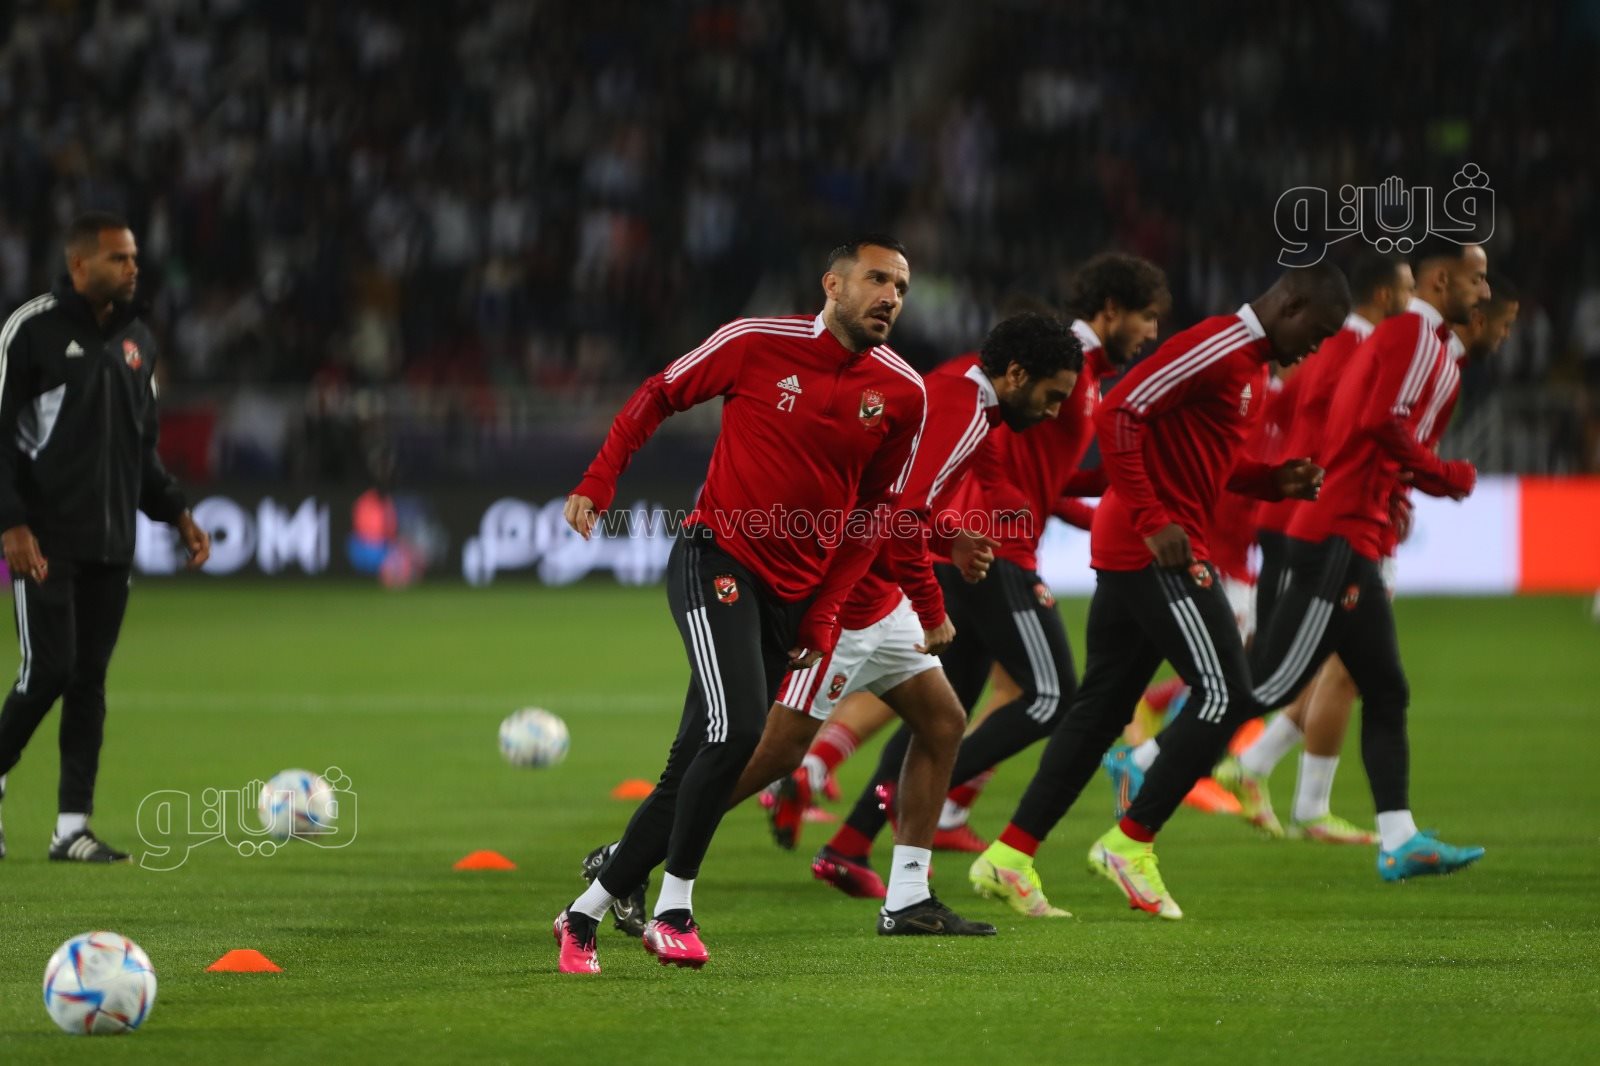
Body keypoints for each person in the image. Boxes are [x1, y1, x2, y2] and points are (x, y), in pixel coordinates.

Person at [553, 235, 927, 973]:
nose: (891, 297)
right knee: (741, 731)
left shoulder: (903, 392)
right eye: (877, 279)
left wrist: (825, 611)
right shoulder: (756, 341)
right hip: (716, 558)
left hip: (795, 595)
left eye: (902, 288)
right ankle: (675, 911)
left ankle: (583, 915)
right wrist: (599, 479)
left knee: (693, 762)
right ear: (833, 284)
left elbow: (875, 513)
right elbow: (660, 392)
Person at [968, 263, 1349, 920]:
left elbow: (1204, 457)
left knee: (1100, 711)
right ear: (1290, 306)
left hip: (1143, 544)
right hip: (1154, 547)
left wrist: (1270, 480)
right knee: (1227, 694)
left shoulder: (1249, 367)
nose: (1315, 347)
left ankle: (1010, 854)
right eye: (1316, 332)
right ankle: (1131, 841)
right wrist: (1151, 519)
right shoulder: (1221, 346)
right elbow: (1120, 411)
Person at [811, 258, 1171, 917]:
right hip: (991, 552)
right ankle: (924, 794)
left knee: (942, 711)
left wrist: (1103, 503)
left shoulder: (1078, 379)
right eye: (1147, 317)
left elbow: (1050, 479)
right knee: (1051, 695)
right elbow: (974, 418)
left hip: (974, 550)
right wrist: (1006, 511)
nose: (1152, 333)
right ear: (1112, 311)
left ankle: (850, 843)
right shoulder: (1063, 364)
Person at [754, 311, 1083, 933]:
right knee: (772, 753)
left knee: (943, 721)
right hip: (852, 595)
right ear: (1016, 374)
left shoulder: (962, 400)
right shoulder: (963, 407)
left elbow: (905, 503)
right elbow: (902, 514)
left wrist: (952, 537)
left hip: (880, 591)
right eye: (1052, 395)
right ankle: (635, 856)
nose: (1055, 411)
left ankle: (904, 894)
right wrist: (932, 608)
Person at [1221, 270, 1519, 847]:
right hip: (1335, 526)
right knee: (1291, 675)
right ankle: (1173, 764)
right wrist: (1433, 477)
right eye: (1477, 282)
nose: (1484, 296)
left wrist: (1397, 492)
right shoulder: (1391, 342)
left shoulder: (1399, 348)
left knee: (1364, 679)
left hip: (1343, 521)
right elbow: (1365, 426)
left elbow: (1323, 419)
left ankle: (1375, 828)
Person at [0, 212, 211, 863]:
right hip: (45, 538)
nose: (132, 268)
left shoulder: (138, 340)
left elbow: (140, 449)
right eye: (119, 258)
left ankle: (72, 827)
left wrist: (176, 513)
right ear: (79, 265)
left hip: (112, 541)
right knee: (48, 670)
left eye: (134, 258)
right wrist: (11, 523)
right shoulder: (29, 331)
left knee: (88, 679)